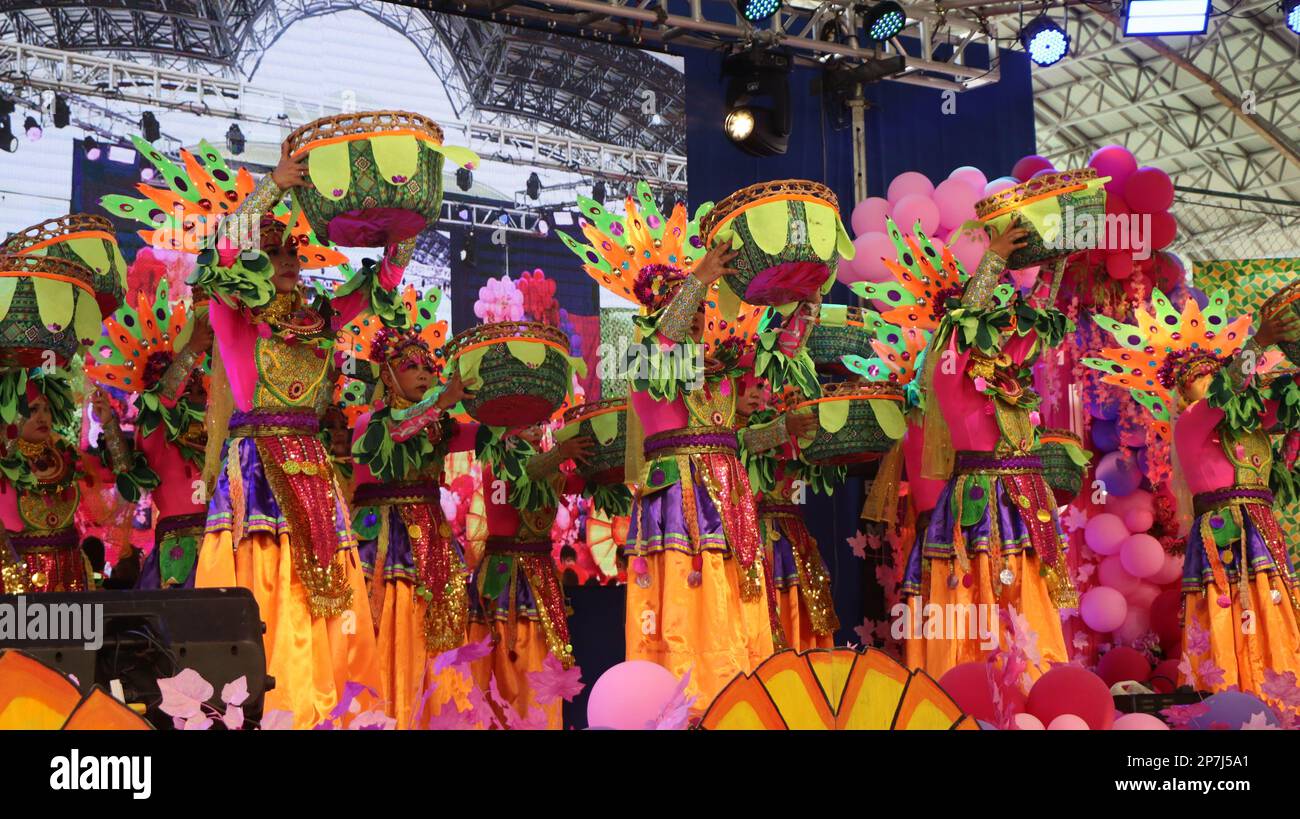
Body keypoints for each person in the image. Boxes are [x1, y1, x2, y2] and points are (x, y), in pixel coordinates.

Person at [187, 144, 401, 727]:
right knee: (270, 593)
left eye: (293, 251)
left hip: (313, 471)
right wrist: (274, 186)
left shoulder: (319, 320)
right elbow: (218, 257)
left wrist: (401, 237)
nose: (288, 259)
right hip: (257, 472)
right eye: (273, 250)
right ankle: (273, 710)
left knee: (325, 596)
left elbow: (376, 288)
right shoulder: (234, 313)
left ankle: (325, 708)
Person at [1086, 288, 1300, 698]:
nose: (1211, 381)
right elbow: (1228, 391)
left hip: (1260, 527)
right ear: (1184, 393)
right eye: (1201, 378)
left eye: (1213, 374)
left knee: (1269, 605)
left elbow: (1286, 406)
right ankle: (1230, 696)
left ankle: (1279, 690)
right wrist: (1260, 340)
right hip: (1224, 530)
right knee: (1227, 610)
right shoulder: (1193, 420)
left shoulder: (1244, 423)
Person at [900, 215, 1077, 680]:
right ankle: (974, 689)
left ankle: (1035, 686)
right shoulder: (950, 371)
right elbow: (962, 325)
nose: (1001, 336)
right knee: (978, 603)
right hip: (980, 503)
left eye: (1002, 327)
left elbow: (1038, 318)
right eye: (990, 324)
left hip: (1022, 501)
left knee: (1028, 603)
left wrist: (1054, 265)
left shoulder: (1008, 375)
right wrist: (995, 257)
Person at [350, 322, 474, 728]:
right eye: (411, 366)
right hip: (384, 548)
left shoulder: (439, 427)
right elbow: (399, 431)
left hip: (433, 547)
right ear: (387, 374)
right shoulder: (369, 423)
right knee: (387, 632)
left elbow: (483, 429)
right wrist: (442, 402)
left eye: (428, 367)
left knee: (430, 636)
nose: (424, 373)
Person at [86, 284, 214, 590]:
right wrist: (110, 425)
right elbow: (129, 470)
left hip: (219, 542)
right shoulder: (155, 425)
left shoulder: (215, 426)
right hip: (177, 550)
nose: (194, 381)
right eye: (187, 377)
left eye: (197, 377)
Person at [468, 424, 592, 729]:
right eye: (529, 424)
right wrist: (561, 453)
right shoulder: (496, 464)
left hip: (538, 576)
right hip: (505, 576)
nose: (537, 430)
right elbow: (522, 473)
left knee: (538, 667)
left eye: (540, 423)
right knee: (504, 670)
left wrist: (603, 465)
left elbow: (575, 481)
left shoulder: (546, 471)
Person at [737, 372, 835, 651]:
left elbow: (803, 483)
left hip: (795, 537)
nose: (754, 394)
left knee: (804, 624)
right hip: (755, 538)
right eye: (746, 387)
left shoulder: (780, 424)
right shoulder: (728, 434)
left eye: (759, 387)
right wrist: (783, 427)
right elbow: (747, 440)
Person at [0, 370, 90, 593]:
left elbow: (116, 472)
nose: (43, 417)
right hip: (18, 577)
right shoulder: (5, 461)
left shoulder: (66, 455)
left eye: (47, 409)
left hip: (70, 572)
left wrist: (108, 423)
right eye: (31, 410)